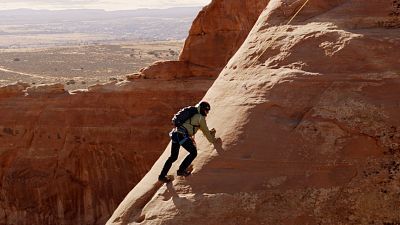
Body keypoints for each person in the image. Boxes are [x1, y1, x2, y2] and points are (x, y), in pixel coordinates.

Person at [158, 101, 217, 183]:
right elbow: (205, 131)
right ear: (203, 109)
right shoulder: (200, 117)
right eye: (207, 110)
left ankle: (162, 176)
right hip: (182, 135)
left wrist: (209, 132)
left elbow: (198, 128)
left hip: (176, 134)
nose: (207, 112)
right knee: (193, 152)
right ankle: (181, 170)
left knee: (173, 157)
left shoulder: (195, 115)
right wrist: (213, 140)